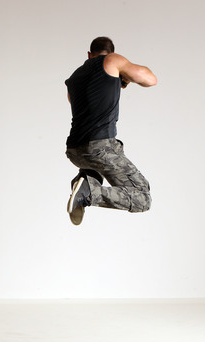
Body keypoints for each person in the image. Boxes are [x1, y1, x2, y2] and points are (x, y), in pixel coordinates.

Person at [65, 36, 157, 225]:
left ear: (89, 55)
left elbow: (86, 104)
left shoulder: (74, 78)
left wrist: (116, 82)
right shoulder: (113, 60)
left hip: (75, 151)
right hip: (100, 148)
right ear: (112, 52)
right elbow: (150, 80)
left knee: (97, 167)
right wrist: (126, 73)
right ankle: (90, 192)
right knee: (142, 197)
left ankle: (86, 178)